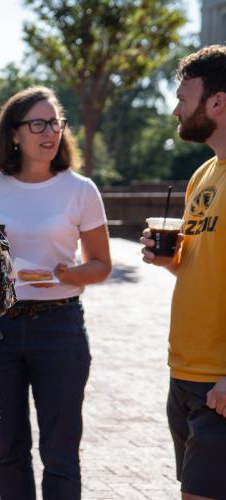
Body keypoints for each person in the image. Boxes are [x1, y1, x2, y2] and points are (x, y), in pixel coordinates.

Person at [0, 86, 111, 500]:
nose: (49, 132)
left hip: (61, 327)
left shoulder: (81, 190)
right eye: (37, 123)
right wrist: (3, 275)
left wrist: (69, 272)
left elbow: (101, 264)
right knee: (9, 451)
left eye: (54, 122)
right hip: (2, 332)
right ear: (14, 134)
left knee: (61, 453)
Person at [140, 45, 226, 500]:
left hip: (220, 378)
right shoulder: (202, 176)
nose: (175, 109)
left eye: (183, 97)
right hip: (186, 371)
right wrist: (171, 261)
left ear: (218, 101)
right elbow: (205, 269)